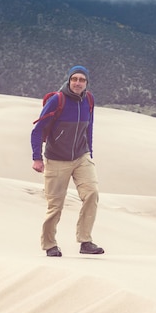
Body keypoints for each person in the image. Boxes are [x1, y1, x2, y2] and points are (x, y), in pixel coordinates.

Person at [30, 65, 104, 257]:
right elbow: (37, 130)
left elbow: (89, 128)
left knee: (92, 194)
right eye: (75, 79)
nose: (78, 83)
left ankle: (85, 241)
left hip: (81, 157)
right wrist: (37, 158)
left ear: (86, 83)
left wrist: (90, 153)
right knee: (55, 205)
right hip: (56, 160)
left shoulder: (88, 99)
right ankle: (49, 245)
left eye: (82, 80)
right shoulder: (57, 100)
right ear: (69, 80)